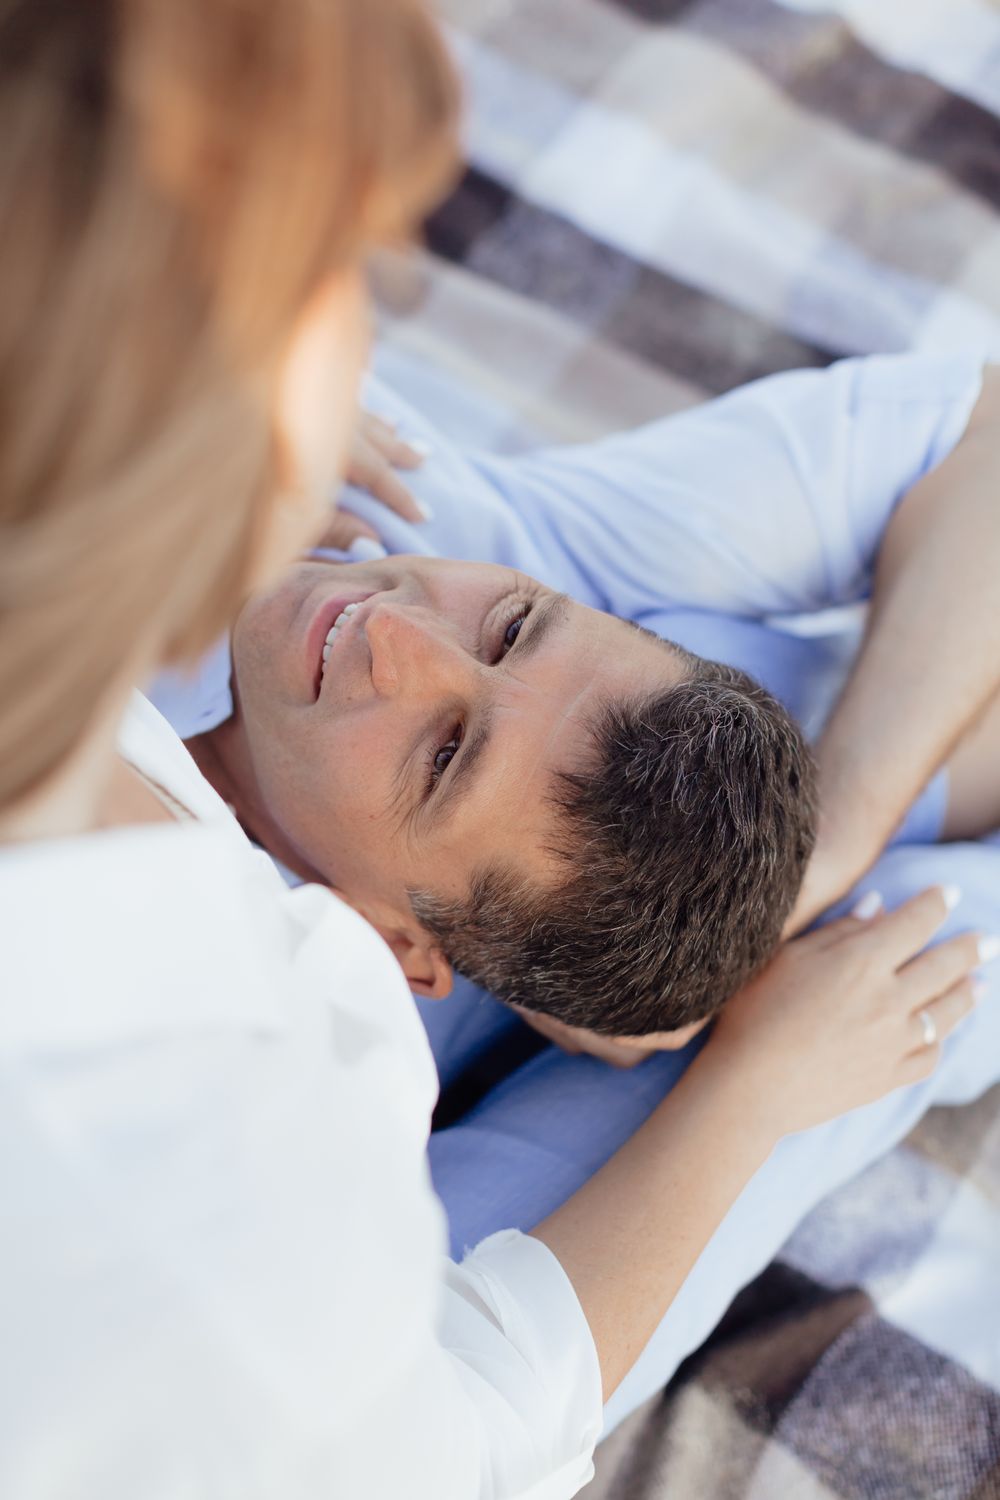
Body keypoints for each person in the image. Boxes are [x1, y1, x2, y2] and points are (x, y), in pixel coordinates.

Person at [0, 5, 984, 1499]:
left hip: (515, 913)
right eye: (325, 288)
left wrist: (839, 825)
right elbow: (457, 1423)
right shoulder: (414, 545)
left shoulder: (363, 554)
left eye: (447, 743)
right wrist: (754, 1091)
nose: (405, 636)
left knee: (798, 890)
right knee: (853, 968)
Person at [162, 349, 1000, 1053]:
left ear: (393, 944)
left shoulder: (197, 977)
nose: (394, 632)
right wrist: (838, 845)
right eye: (510, 628)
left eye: (446, 753)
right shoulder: (422, 504)